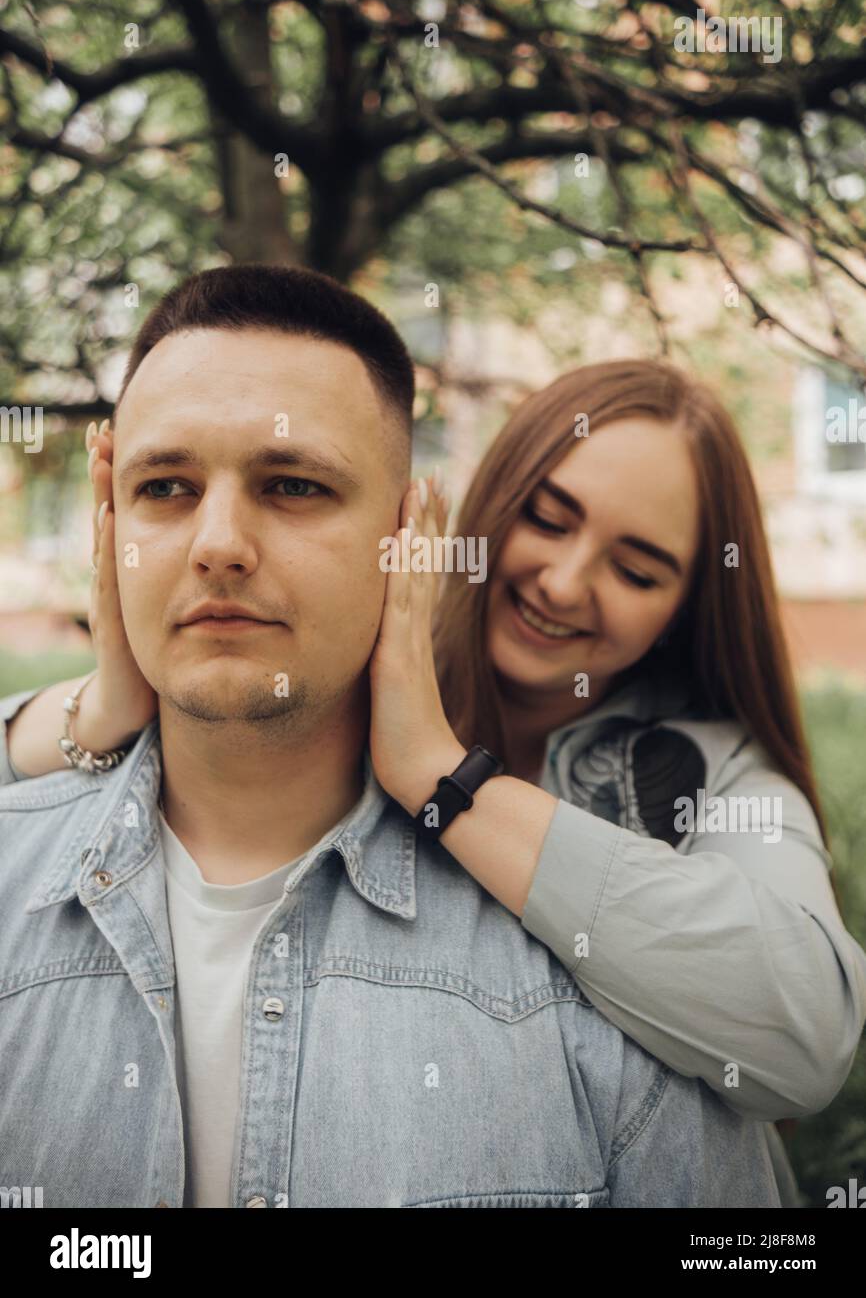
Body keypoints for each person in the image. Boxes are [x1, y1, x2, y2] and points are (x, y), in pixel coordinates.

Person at [0, 264, 784, 1209]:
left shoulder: (607, 971)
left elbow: (799, 1037)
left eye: (292, 484)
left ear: (412, 534)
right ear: (109, 522)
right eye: (165, 485)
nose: (218, 542)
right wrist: (92, 714)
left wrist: (439, 778)